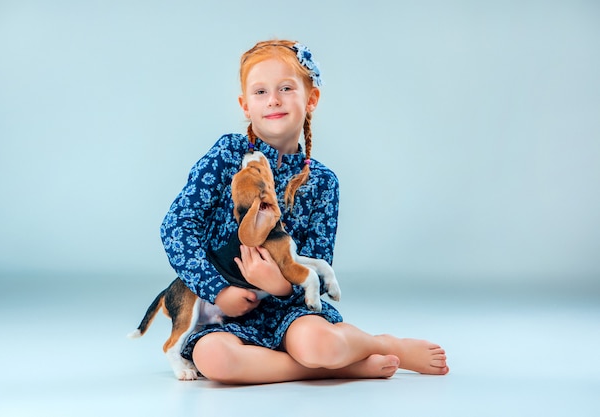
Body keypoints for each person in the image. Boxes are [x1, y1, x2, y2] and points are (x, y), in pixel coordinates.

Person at [161, 39, 449, 384]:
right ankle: (349, 366)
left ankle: (382, 344)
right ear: (244, 105)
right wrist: (218, 290)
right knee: (215, 359)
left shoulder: (323, 182)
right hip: (227, 312)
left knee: (318, 345)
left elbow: (318, 258)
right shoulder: (228, 155)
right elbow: (178, 225)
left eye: (286, 88)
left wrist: (281, 286)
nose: (273, 100)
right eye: (260, 92)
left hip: (291, 309)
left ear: (311, 99)